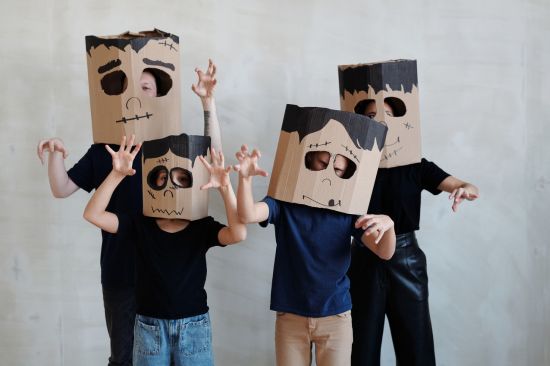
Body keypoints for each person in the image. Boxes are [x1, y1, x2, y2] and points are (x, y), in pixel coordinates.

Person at [37, 60, 222, 365]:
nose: (134, 97)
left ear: (158, 95)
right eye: (126, 88)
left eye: (145, 87)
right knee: (124, 357)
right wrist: (57, 153)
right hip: (122, 273)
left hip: (168, 276)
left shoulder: (169, 146)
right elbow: (62, 188)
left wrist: (208, 102)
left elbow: (213, 157)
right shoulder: (105, 150)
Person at [83, 134, 246, 366]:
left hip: (193, 326)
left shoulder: (201, 227)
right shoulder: (139, 224)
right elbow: (93, 214)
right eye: (161, 178)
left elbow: (238, 234)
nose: (171, 187)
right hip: (149, 326)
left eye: (182, 179)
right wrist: (116, 174)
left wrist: (225, 188)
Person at [234, 140, 396, 366]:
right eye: (322, 163)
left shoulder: (347, 211)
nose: (329, 174)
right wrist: (244, 179)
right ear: (308, 160)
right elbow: (247, 214)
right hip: (291, 317)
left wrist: (389, 225)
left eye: (338, 170)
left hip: (335, 318)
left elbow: (384, 252)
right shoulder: (283, 203)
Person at [349, 99, 479, 366]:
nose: (380, 121)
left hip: (406, 260)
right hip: (361, 259)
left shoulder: (415, 166)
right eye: (372, 115)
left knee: (416, 349)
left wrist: (464, 190)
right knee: (360, 350)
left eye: (388, 114)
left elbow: (467, 185)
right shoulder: (349, 166)